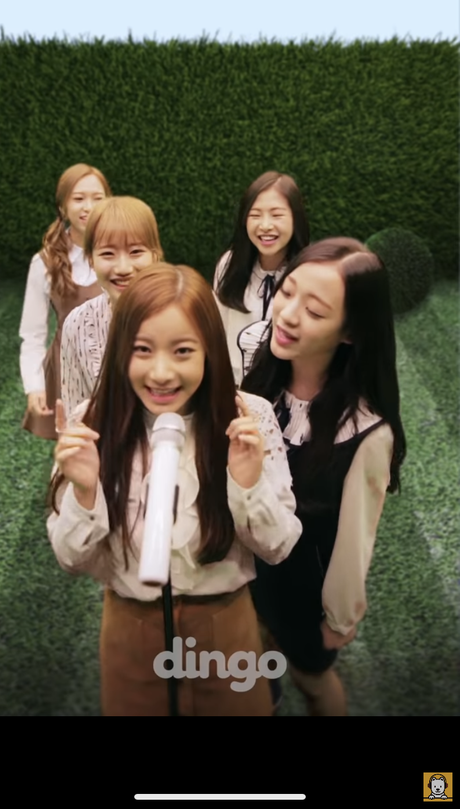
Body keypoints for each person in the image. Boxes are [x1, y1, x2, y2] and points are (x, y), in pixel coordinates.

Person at [48, 264, 302, 717]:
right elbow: (71, 558)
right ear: (120, 350)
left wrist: (247, 483)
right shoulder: (92, 422)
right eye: (142, 350)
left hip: (226, 629)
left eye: (183, 351)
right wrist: (85, 492)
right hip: (131, 630)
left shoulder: (251, 417)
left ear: (209, 351)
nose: (161, 373)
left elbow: (278, 546)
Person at [242, 238, 406, 717]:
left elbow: (356, 540)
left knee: (312, 680)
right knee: (253, 657)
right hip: (248, 570)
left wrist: (339, 617)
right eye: (287, 292)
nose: (288, 315)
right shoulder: (261, 381)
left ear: (351, 332)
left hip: (302, 590)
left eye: (314, 311)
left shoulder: (367, 432)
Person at [19, 163, 111, 440]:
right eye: (78, 198)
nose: (88, 207)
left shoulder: (123, 254)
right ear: (62, 207)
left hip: (114, 364)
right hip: (66, 369)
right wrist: (34, 385)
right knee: (74, 446)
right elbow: (33, 334)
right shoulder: (43, 263)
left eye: (97, 198)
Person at [61, 196, 163, 422]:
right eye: (107, 254)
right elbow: (74, 413)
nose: (123, 268)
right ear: (90, 259)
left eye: (136, 252)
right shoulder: (77, 324)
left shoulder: (184, 316)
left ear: (155, 255)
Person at [213, 171, 309, 387]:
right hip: (234, 388)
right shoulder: (229, 264)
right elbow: (217, 330)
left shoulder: (307, 272)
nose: (265, 225)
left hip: (285, 390)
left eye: (276, 215)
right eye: (255, 215)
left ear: (296, 218)